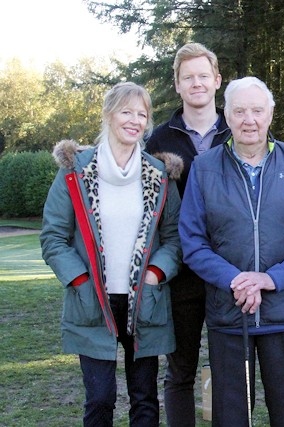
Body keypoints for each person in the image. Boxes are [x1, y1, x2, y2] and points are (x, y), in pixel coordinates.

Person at [179, 76, 284, 427]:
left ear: (270, 115)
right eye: (240, 111)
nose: (250, 119)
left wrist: (270, 279)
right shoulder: (204, 169)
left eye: (257, 110)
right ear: (227, 117)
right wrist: (237, 280)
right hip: (229, 317)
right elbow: (193, 242)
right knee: (231, 419)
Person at [40, 82, 183, 426]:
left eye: (142, 114)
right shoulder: (75, 171)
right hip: (92, 300)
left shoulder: (159, 174)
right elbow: (54, 237)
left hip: (144, 302)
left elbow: (174, 238)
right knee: (100, 399)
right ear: (108, 114)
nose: (134, 120)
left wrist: (155, 274)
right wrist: (79, 279)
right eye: (126, 111)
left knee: (145, 400)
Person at [145, 42, 230, 426]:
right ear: (177, 85)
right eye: (187, 77)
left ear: (217, 80)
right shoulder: (158, 142)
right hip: (180, 275)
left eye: (202, 75)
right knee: (180, 371)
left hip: (232, 270)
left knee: (228, 372)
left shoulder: (241, 128)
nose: (196, 83)